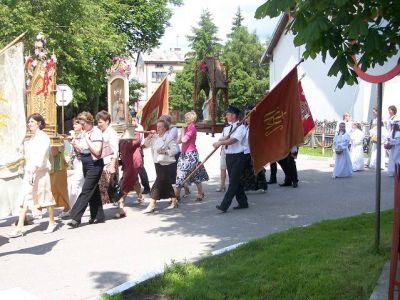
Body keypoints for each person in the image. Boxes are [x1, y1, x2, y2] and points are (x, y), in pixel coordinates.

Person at [8, 113, 57, 237]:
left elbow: (41, 156)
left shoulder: (43, 138)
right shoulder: (31, 138)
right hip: (29, 171)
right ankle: (20, 227)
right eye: (29, 122)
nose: (30, 124)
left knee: (45, 197)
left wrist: (33, 171)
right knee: (24, 197)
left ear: (39, 123)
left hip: (40, 172)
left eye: (32, 122)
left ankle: (52, 221)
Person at [67, 111, 104, 228]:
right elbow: (82, 150)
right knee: (93, 190)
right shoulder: (84, 133)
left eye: (82, 124)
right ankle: (98, 215)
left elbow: (97, 151)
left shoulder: (96, 132)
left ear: (88, 122)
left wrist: (87, 138)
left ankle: (75, 217)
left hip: (95, 164)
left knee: (86, 190)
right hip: (85, 162)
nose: (81, 126)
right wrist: (74, 144)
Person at [213, 105, 248, 213]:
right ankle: (243, 202)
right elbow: (223, 138)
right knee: (236, 181)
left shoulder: (241, 127)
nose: (226, 116)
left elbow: (233, 140)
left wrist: (221, 142)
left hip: (238, 156)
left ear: (233, 115)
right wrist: (221, 140)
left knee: (233, 182)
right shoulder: (227, 128)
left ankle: (224, 205)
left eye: (228, 114)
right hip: (229, 156)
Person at [143, 119, 179, 213]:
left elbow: (175, 150)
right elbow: (145, 145)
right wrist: (149, 137)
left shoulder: (168, 138)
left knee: (158, 182)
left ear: (165, 128)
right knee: (165, 182)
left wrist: (166, 151)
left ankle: (152, 203)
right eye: (157, 126)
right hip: (157, 162)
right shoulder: (155, 137)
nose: (157, 128)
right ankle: (174, 200)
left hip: (167, 163)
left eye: (160, 127)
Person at [175, 111, 209, 201]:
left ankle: (176, 196)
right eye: (185, 117)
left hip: (191, 154)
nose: (185, 119)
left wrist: (182, 130)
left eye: (188, 118)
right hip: (184, 154)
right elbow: (179, 141)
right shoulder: (186, 127)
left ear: (192, 119)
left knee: (183, 174)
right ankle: (200, 193)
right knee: (193, 174)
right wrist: (181, 131)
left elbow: (184, 140)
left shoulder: (192, 127)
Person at [115, 125, 143, 218]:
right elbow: (120, 149)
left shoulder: (136, 134)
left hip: (134, 162)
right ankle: (140, 196)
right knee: (134, 181)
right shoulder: (122, 135)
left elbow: (132, 145)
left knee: (126, 182)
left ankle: (121, 204)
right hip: (126, 162)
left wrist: (127, 137)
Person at [241, 106, 268, 192]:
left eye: (249, 117)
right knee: (249, 169)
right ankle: (250, 185)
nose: (247, 119)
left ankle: (261, 185)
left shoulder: (256, 128)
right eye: (246, 117)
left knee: (257, 169)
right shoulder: (245, 128)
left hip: (254, 151)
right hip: (246, 151)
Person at [96, 110, 119, 205]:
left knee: (109, 186)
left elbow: (115, 150)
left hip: (109, 162)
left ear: (107, 121)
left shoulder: (111, 133)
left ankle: (119, 205)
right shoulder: (99, 132)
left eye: (101, 122)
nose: (99, 124)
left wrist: (112, 165)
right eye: (98, 122)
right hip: (102, 162)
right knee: (102, 187)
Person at [65, 118, 84, 210]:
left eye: (76, 124)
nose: (74, 126)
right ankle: (80, 205)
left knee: (75, 184)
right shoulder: (76, 135)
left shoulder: (84, 135)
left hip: (82, 162)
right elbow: (73, 151)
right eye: (73, 124)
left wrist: (74, 143)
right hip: (76, 161)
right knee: (79, 185)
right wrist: (69, 157)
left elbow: (81, 150)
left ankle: (72, 207)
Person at [131, 113, 151, 194]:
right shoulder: (128, 126)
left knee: (140, 168)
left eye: (134, 119)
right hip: (130, 150)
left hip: (138, 149)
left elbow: (140, 140)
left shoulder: (139, 127)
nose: (133, 121)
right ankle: (134, 186)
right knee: (131, 169)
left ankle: (146, 187)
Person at [49, 143, 70, 218]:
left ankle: (67, 208)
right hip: (52, 169)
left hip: (58, 169)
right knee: (53, 189)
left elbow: (54, 152)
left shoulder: (56, 140)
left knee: (61, 190)